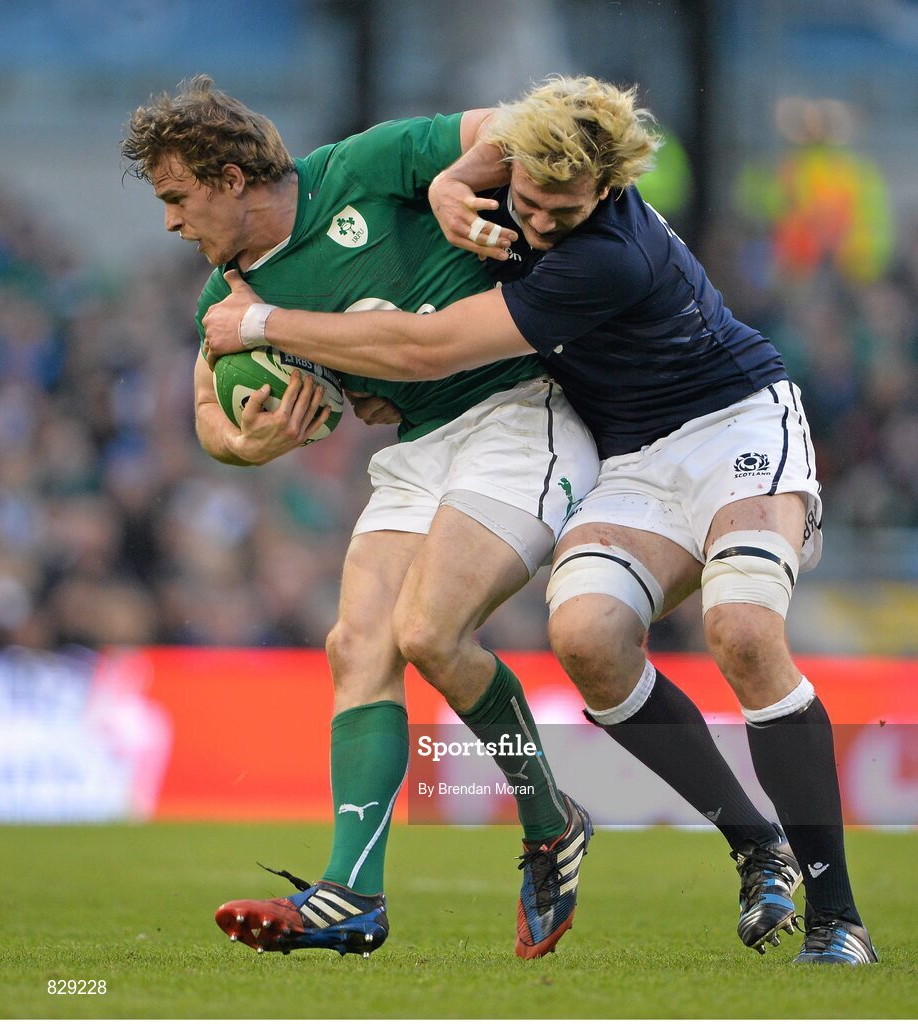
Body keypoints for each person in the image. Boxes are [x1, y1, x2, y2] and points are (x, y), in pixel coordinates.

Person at [202, 76, 876, 966]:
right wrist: (456, 178)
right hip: (630, 452)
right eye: (528, 200)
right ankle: (755, 848)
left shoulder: (604, 253)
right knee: (588, 639)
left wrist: (263, 321)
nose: (541, 223)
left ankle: (837, 919)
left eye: (563, 209)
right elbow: (520, 120)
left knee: (743, 633)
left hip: (733, 423)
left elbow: (425, 347)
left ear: (606, 192)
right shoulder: (508, 170)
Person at [122, 75, 602, 960]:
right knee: (358, 645)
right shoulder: (223, 300)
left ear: (230, 177)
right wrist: (252, 447)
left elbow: (518, 124)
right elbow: (210, 423)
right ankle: (355, 894)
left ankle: (549, 823)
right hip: (421, 441)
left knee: (428, 633)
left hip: (519, 410)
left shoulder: (365, 165)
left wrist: (456, 183)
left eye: (176, 197)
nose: (170, 223)